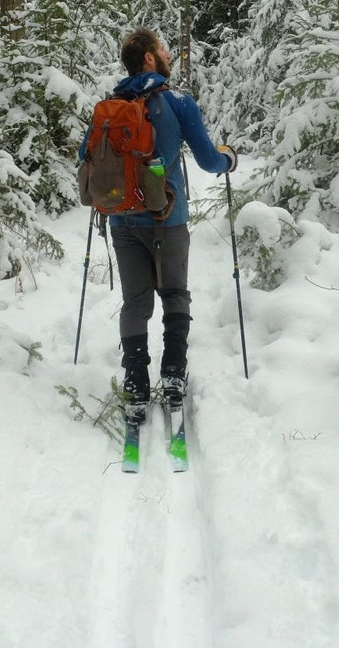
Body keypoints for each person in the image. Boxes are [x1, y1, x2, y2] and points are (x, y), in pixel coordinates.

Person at [85, 28, 236, 418]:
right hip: (169, 218)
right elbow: (207, 159)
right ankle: (173, 375)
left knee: (136, 301)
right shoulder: (179, 102)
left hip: (122, 220)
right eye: (163, 49)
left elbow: (87, 160)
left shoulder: (110, 106)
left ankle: (135, 383)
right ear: (150, 59)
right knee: (174, 293)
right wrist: (228, 160)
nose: (169, 54)